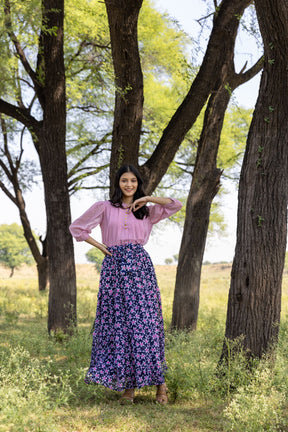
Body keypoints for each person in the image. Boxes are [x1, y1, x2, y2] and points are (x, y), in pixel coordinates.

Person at [69, 164, 182, 404]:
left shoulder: (147, 211)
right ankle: (128, 387)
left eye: (133, 181)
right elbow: (77, 228)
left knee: (147, 324)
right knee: (120, 327)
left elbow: (175, 205)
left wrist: (148, 197)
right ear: (118, 183)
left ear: (138, 183)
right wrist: (100, 246)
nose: (128, 185)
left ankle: (161, 384)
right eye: (124, 181)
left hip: (141, 270)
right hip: (114, 269)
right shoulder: (104, 207)